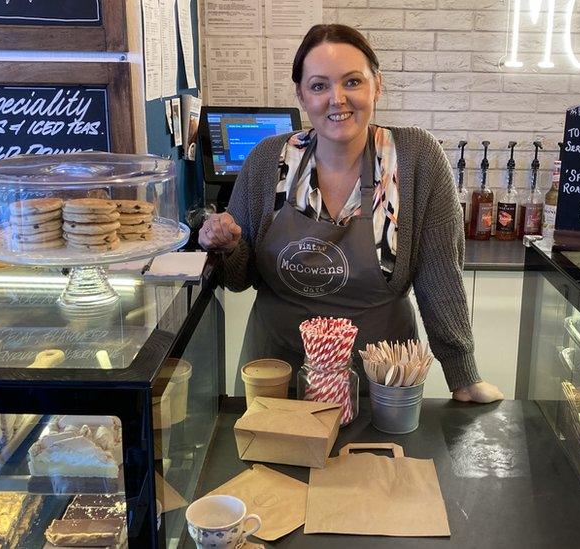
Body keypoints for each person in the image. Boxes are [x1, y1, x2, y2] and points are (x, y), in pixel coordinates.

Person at [199, 24, 503, 404]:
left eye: (352, 82)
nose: (337, 99)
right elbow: (239, 278)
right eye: (319, 86)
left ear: (377, 85)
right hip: (278, 375)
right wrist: (226, 245)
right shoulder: (267, 161)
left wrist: (463, 376)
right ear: (301, 95)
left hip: (382, 377)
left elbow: (440, 275)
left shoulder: (416, 158)